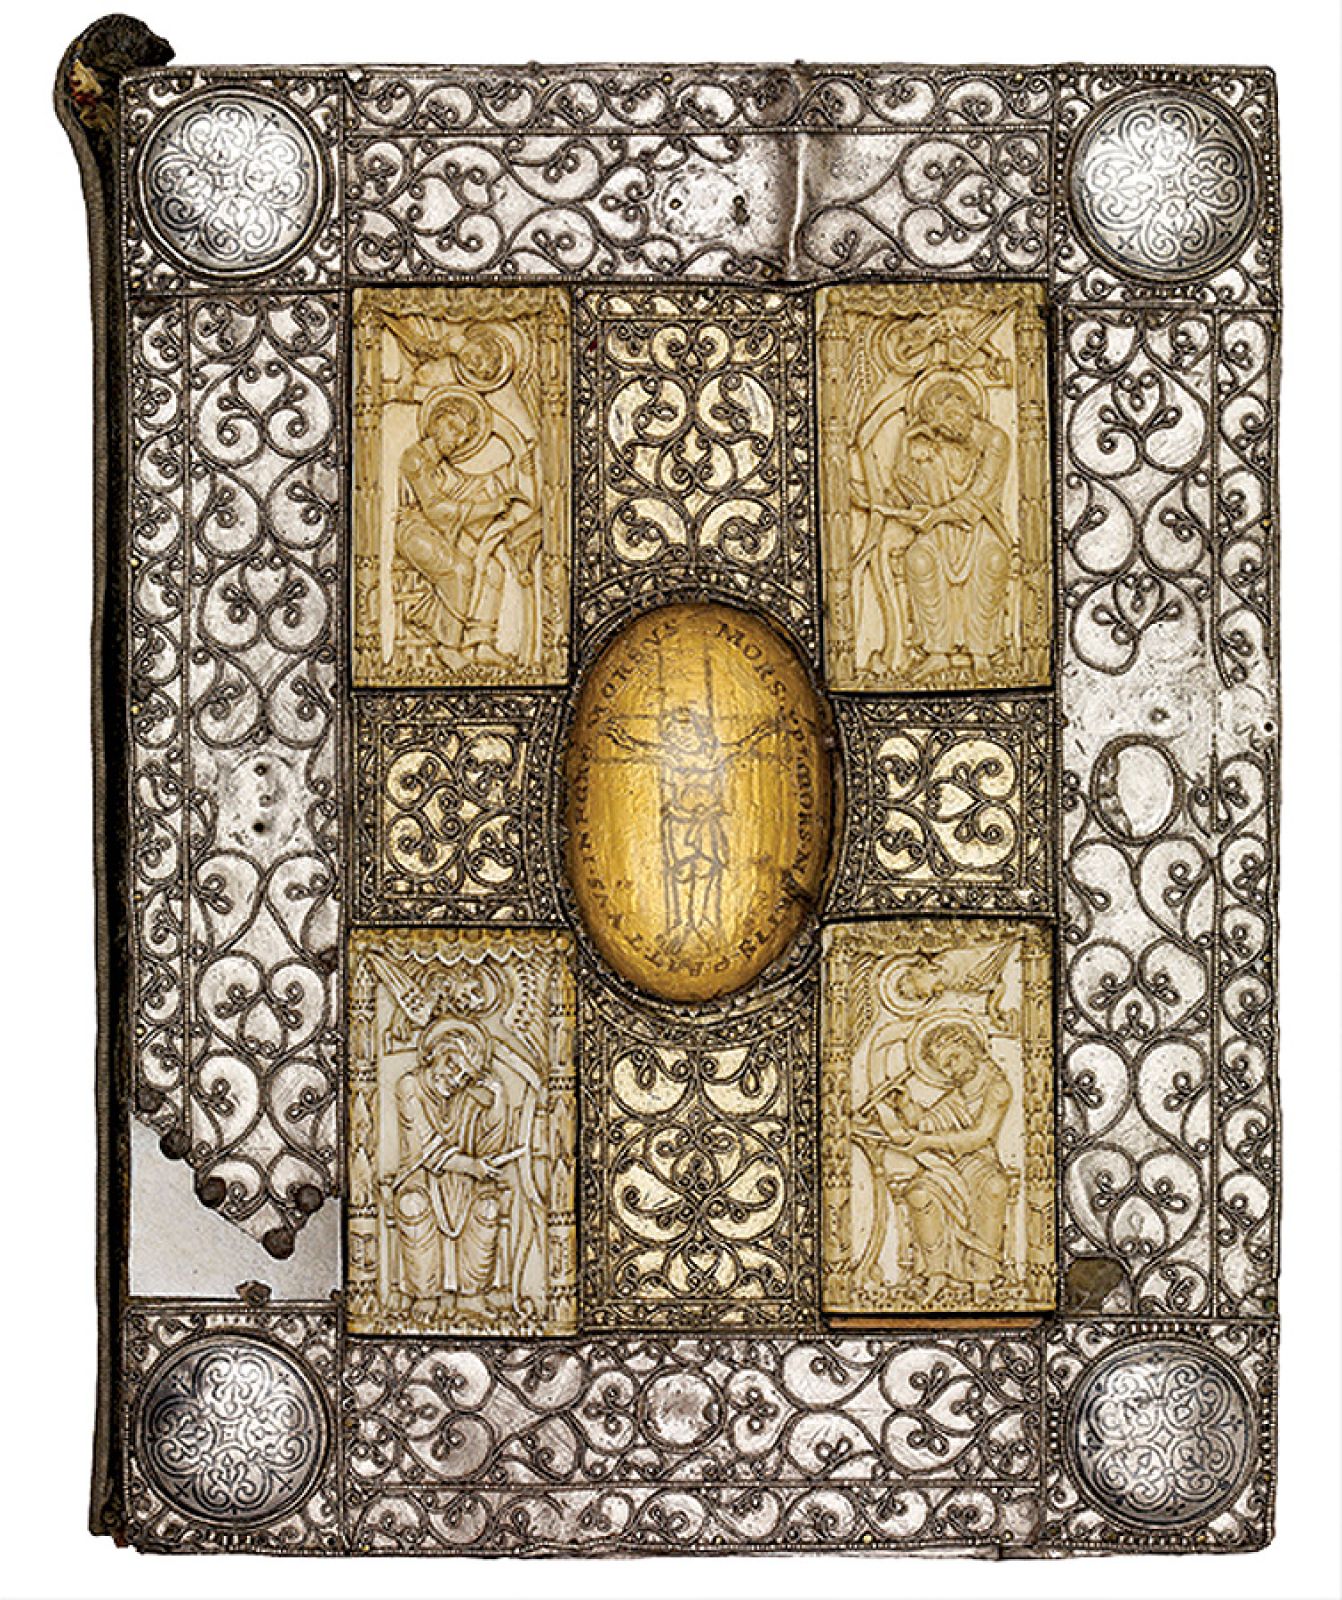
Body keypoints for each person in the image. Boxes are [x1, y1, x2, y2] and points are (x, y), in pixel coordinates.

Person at [852, 375, 1012, 680]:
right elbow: (907, 490)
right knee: (919, 559)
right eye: (939, 423)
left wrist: (935, 516)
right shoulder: (935, 447)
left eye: (952, 415)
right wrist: (907, 445)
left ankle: (981, 654)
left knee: (993, 560)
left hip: (980, 527)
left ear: (969, 405)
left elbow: (978, 499)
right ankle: (937, 654)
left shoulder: (995, 441)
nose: (948, 427)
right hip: (939, 532)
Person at [393, 386, 541, 667]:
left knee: (493, 569)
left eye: (465, 436)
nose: (459, 440)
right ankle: (448, 647)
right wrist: (490, 507)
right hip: (413, 532)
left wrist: (516, 468)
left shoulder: (442, 467)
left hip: (440, 532)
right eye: (453, 428)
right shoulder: (416, 459)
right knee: (460, 569)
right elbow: (437, 510)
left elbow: (474, 485)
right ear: (436, 421)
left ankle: (480, 643)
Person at [863, 1018, 1012, 1297]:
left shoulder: (997, 1087)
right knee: (919, 1194)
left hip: (979, 1164)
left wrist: (926, 1142)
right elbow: (928, 1123)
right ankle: (936, 1273)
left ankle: (983, 1275)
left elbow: (979, 1136)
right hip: (946, 1166)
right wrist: (905, 1104)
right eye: (943, 1067)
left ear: (971, 1047)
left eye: (953, 1060)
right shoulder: (955, 1096)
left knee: (995, 1188)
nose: (949, 1071)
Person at [391, 1016, 516, 1320]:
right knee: (412, 1205)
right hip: (421, 1177)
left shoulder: (465, 1098)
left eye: (465, 1076)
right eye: (452, 1066)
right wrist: (472, 1166)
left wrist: (498, 1099)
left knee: (487, 1208)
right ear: (437, 1051)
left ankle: (472, 1296)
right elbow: (426, 1148)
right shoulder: (409, 1086)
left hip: (464, 1184)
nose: (457, 1080)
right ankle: (424, 1296)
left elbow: (490, 1142)